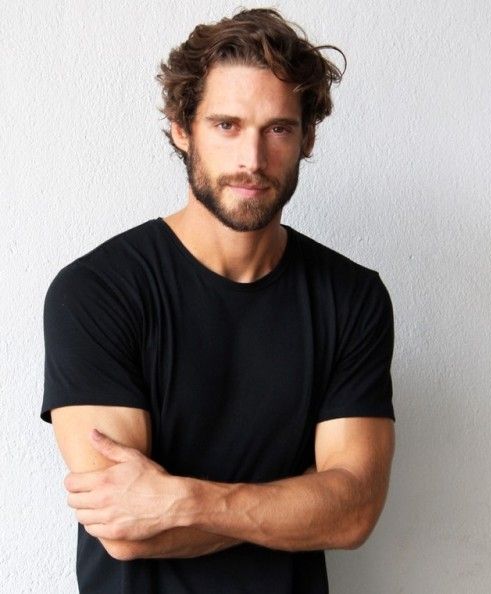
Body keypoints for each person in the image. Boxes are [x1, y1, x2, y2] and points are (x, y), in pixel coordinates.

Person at [41, 8, 395, 594]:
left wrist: (181, 499)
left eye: (278, 128)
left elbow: (354, 512)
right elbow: (127, 530)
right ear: (183, 128)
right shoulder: (95, 292)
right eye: (226, 125)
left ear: (307, 136)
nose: (251, 161)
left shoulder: (352, 297)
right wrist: (299, 501)